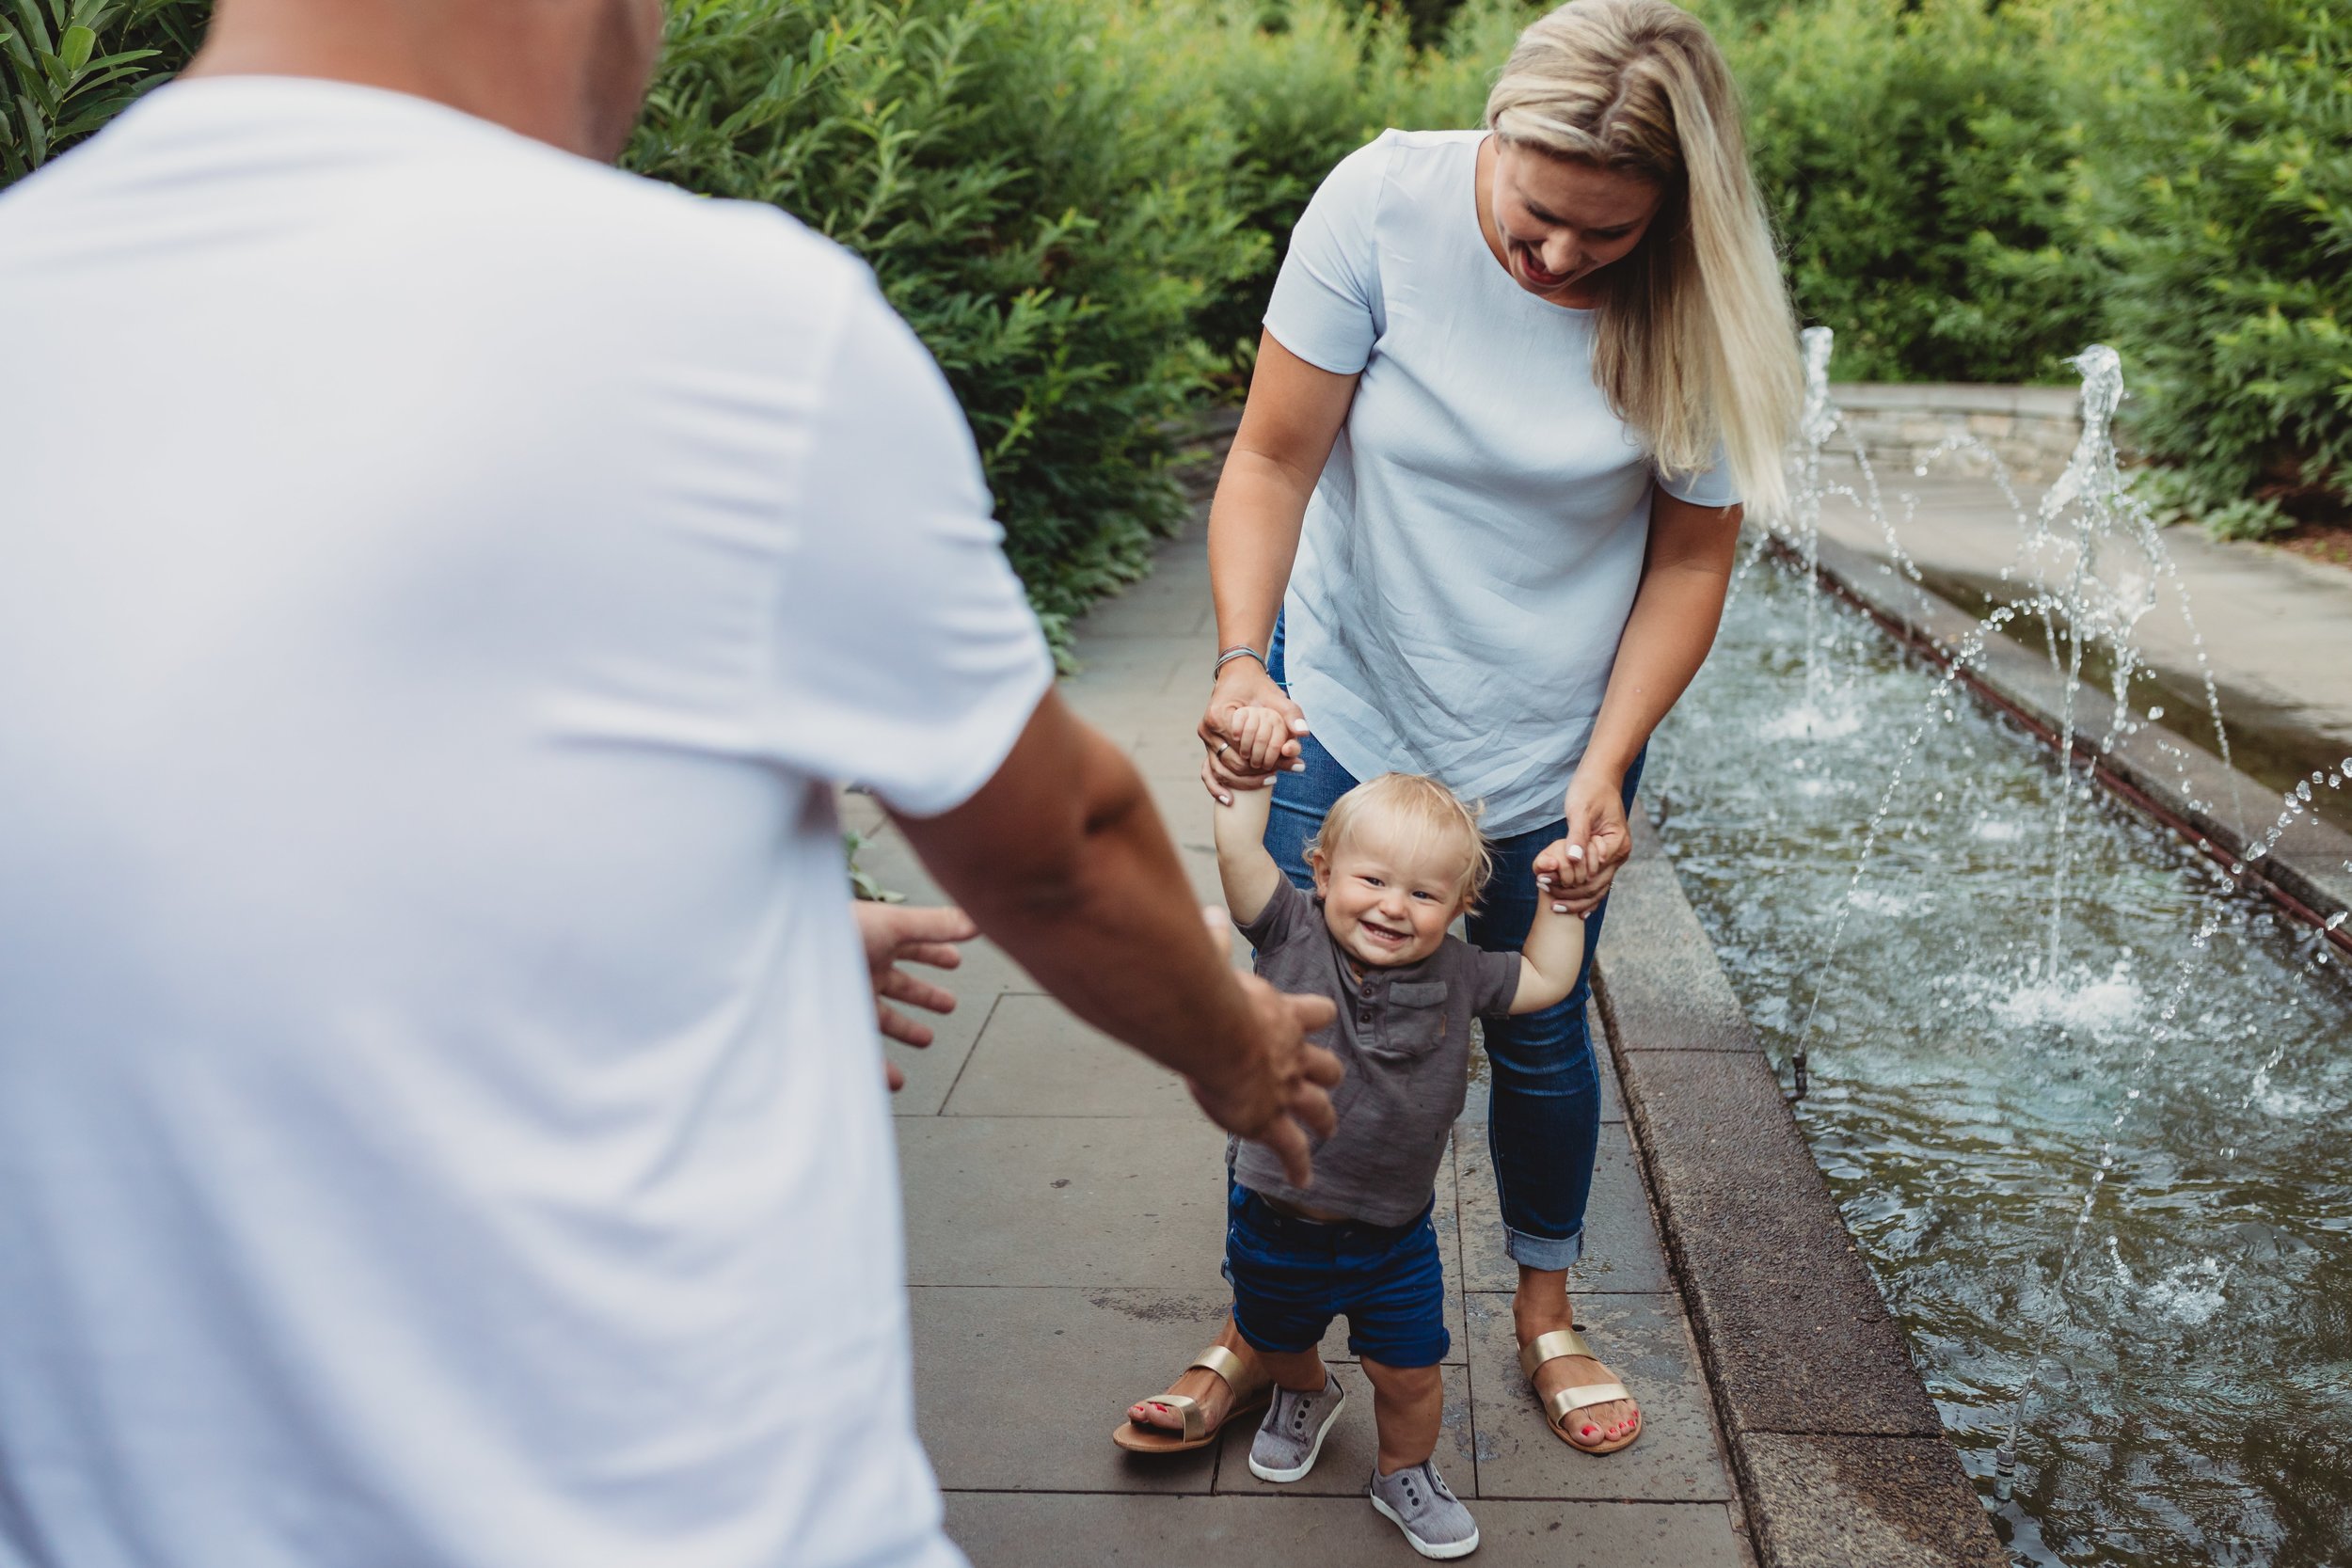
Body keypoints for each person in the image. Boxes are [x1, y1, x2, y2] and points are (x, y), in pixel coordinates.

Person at [0, 3, 1340, 1567]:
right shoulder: (729, 324)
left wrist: (718, 936)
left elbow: (184, 828)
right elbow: (1060, 848)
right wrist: (1237, 1048)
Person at [1124, 0, 1800, 1458]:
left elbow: (1691, 555)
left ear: (1673, 217)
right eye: (1539, 215)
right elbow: (1272, 454)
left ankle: (1546, 1308)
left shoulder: (1697, 295)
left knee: (1541, 1039)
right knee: (1303, 1009)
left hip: (1557, 728)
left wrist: (1606, 766)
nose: (1557, 260)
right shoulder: (1381, 203)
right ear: (1494, 130)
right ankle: (1270, 1318)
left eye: (1603, 240)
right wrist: (1245, 664)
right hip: (1352, 687)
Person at [1130, 710, 1599, 1559]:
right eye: (1372, 880)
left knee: (1412, 1372)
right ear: (1321, 869)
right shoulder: (1290, 929)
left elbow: (1545, 976)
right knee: (1277, 1340)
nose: (1393, 906)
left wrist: (1564, 903)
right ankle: (1305, 1393)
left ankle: (1403, 1471)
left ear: (1461, 905)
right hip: (1274, 1218)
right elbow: (1239, 859)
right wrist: (1247, 784)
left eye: (1424, 894)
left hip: (1393, 1238)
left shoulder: (1460, 973)